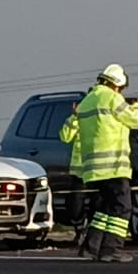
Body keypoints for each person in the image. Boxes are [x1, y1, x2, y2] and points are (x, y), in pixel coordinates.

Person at [73, 64, 138, 262]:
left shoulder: (87, 101)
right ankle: (111, 249)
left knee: (105, 208)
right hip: (113, 166)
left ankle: (91, 247)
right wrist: (136, 106)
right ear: (117, 84)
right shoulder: (112, 98)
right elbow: (135, 120)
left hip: (93, 169)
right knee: (122, 208)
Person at [58, 99, 86, 231]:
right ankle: (79, 227)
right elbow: (65, 136)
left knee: (98, 202)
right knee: (75, 202)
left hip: (99, 171)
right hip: (81, 171)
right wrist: (75, 117)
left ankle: (89, 229)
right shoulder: (79, 118)